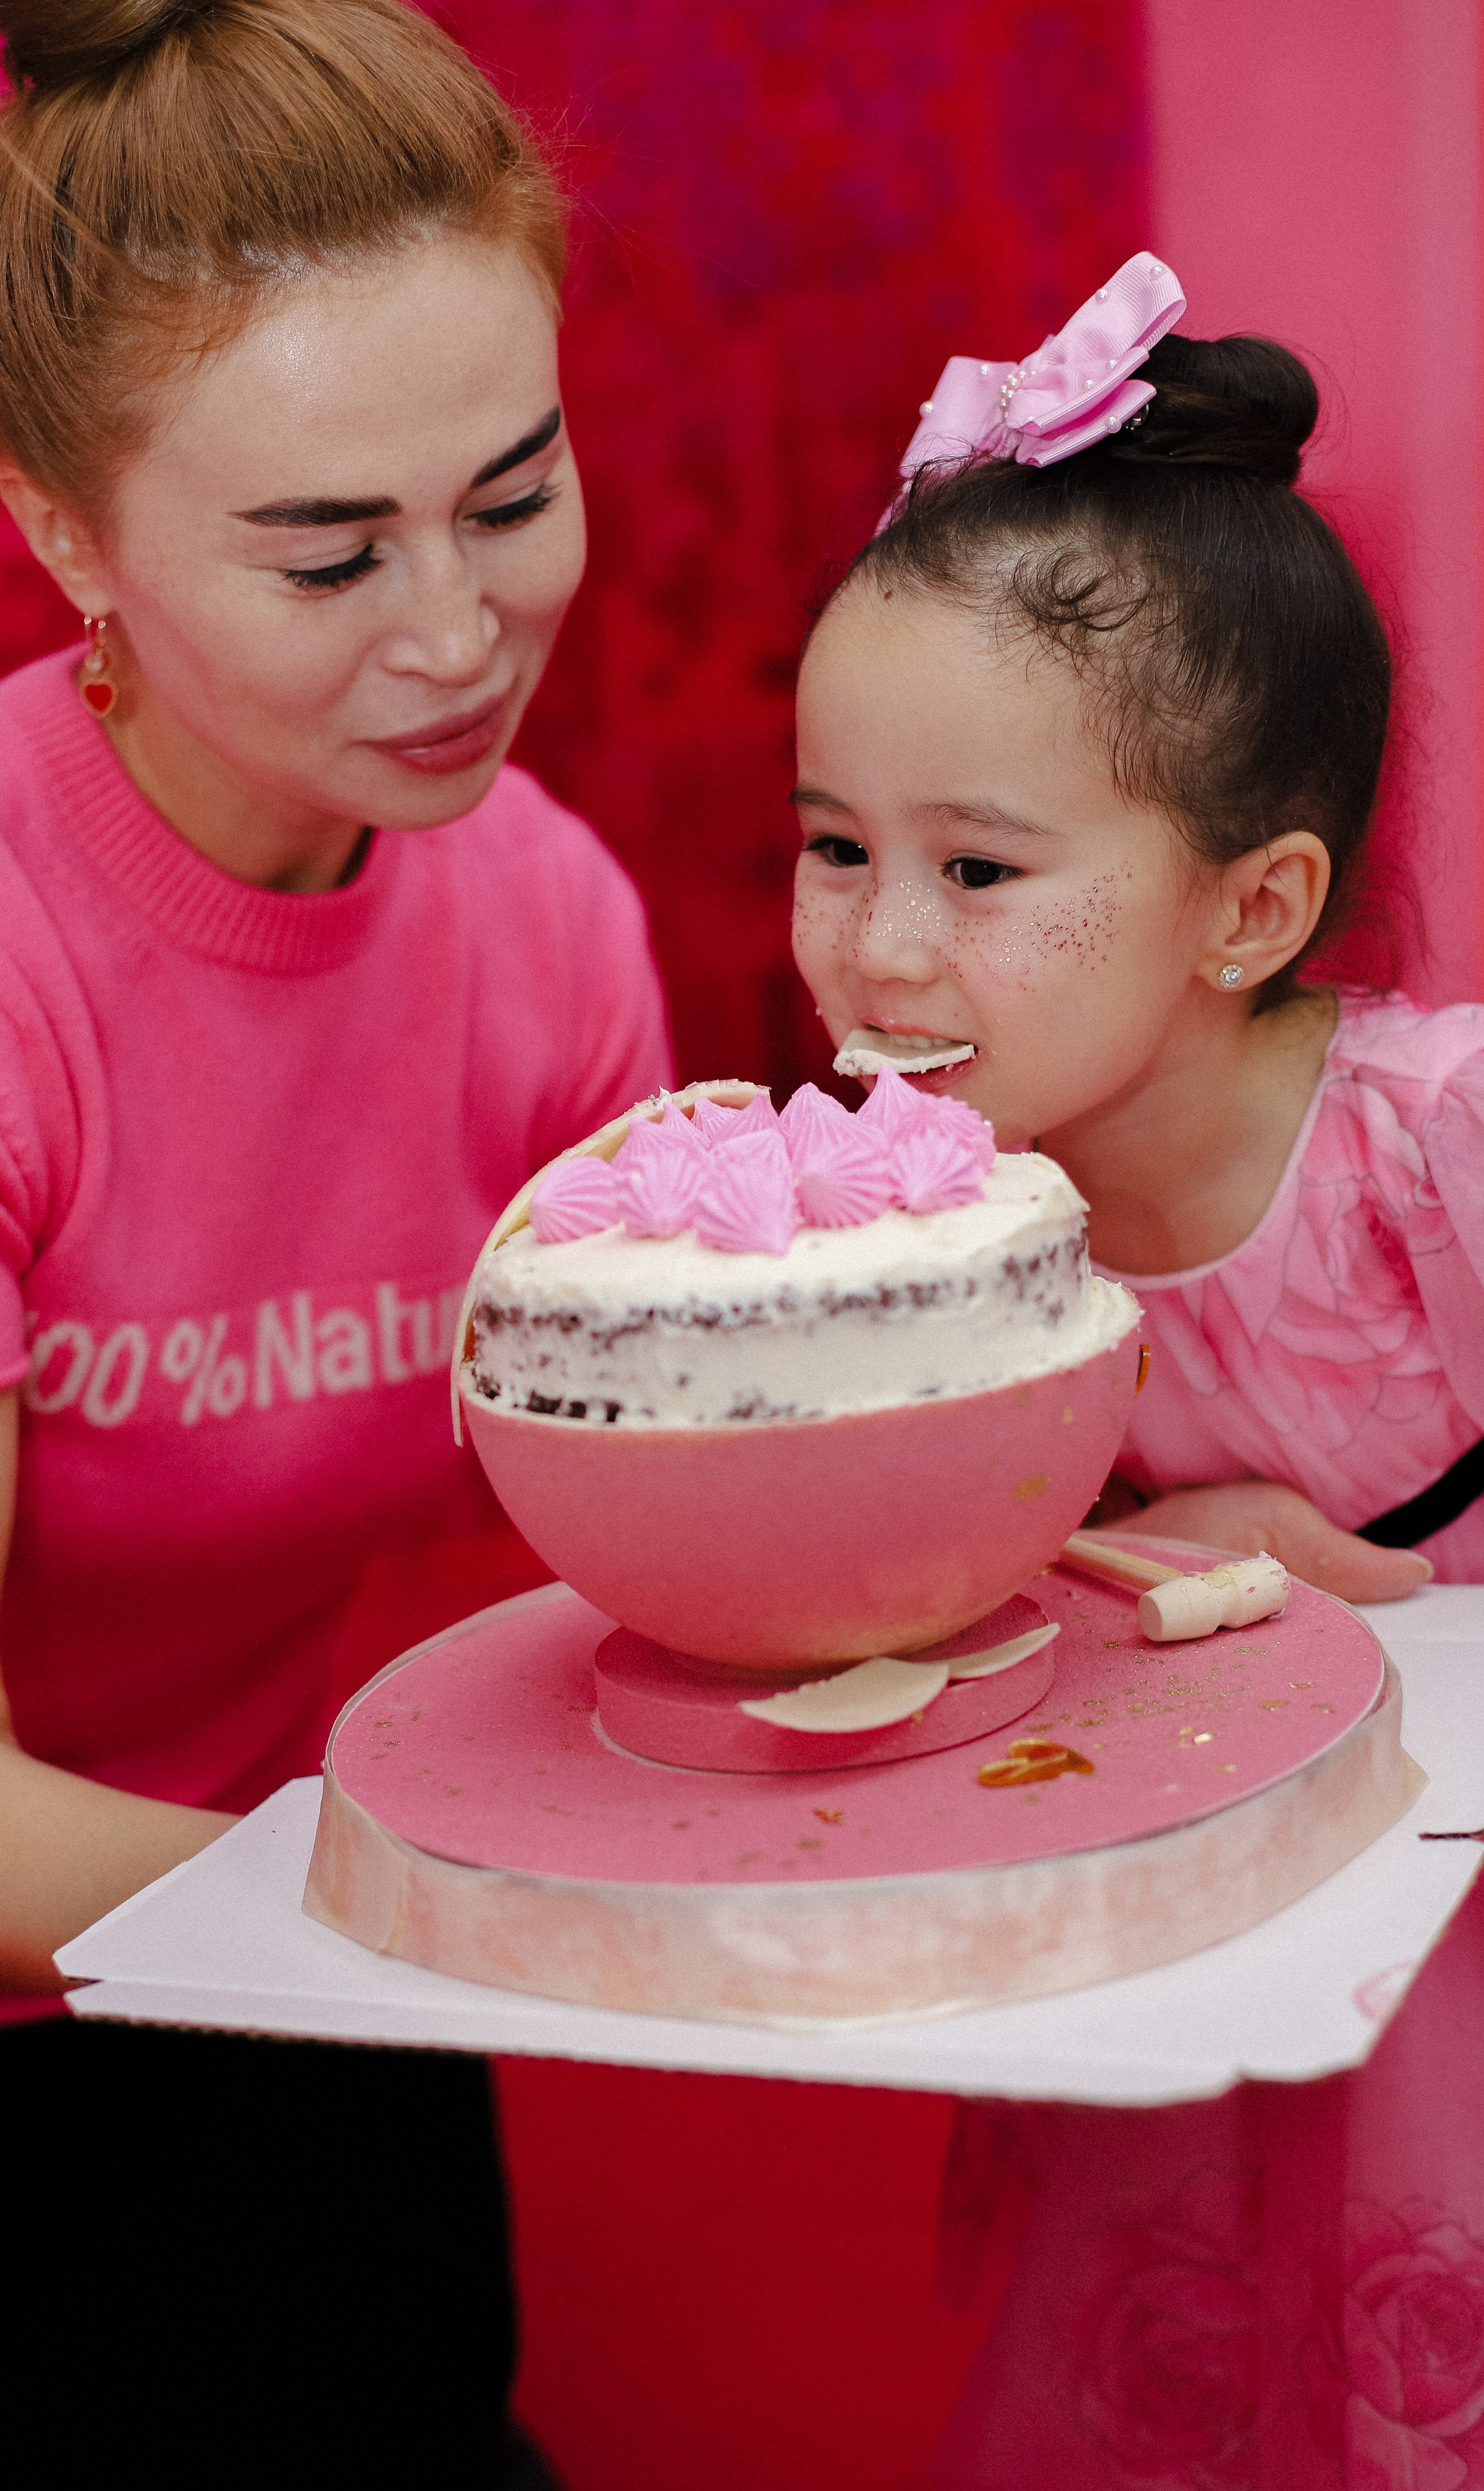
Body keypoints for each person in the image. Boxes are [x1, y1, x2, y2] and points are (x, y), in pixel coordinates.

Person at [0, 4, 667, 2481]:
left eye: (514, 497)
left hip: (290, 1944)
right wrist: (440, 1917)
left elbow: (671, 1532)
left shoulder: (544, 921)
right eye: (327, 551)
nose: (456, 631)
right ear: (65, 531)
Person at [787, 253, 1484, 2483]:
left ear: (1253, 909)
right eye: (832, 847)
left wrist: (1352, 1600)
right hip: (1160, 2013)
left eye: (980, 867)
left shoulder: (1435, 1157)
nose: (875, 944)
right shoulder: (930, 1214)